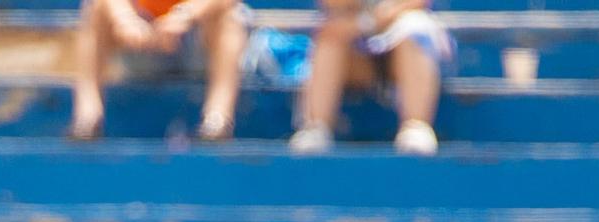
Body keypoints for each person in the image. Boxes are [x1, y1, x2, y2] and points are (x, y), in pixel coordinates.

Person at [289, 0, 455, 156]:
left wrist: (377, 19)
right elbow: (334, 4)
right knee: (331, 34)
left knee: (417, 27)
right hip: (355, 45)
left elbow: (416, 3)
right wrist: (364, 21)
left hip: (401, 35)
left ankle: (416, 126)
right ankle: (316, 128)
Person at [71, 0, 248, 143]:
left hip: (196, 40)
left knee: (229, 16)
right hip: (142, 39)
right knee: (93, 9)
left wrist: (184, 16)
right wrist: (125, 18)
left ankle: (217, 120)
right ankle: (88, 118)